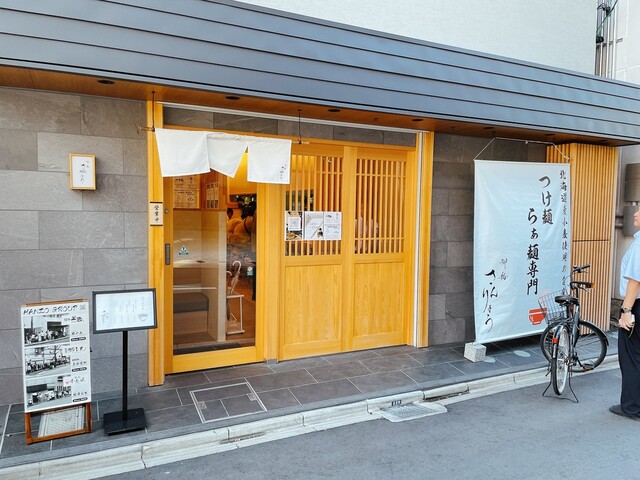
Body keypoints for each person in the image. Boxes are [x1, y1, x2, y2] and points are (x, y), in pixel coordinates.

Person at [612, 206, 640, 420]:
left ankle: (631, 407)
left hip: (637, 305)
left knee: (631, 357)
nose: (635, 214)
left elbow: (635, 280)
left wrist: (626, 310)